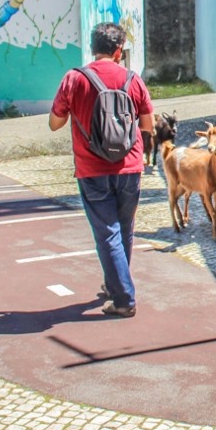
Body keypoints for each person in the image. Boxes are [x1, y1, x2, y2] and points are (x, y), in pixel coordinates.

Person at [49, 22, 154, 318]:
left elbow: (54, 123)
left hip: (91, 168)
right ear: (119, 50)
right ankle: (115, 286)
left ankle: (123, 299)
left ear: (92, 48)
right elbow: (148, 125)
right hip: (129, 166)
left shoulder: (74, 78)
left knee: (107, 233)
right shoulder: (133, 79)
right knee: (124, 230)